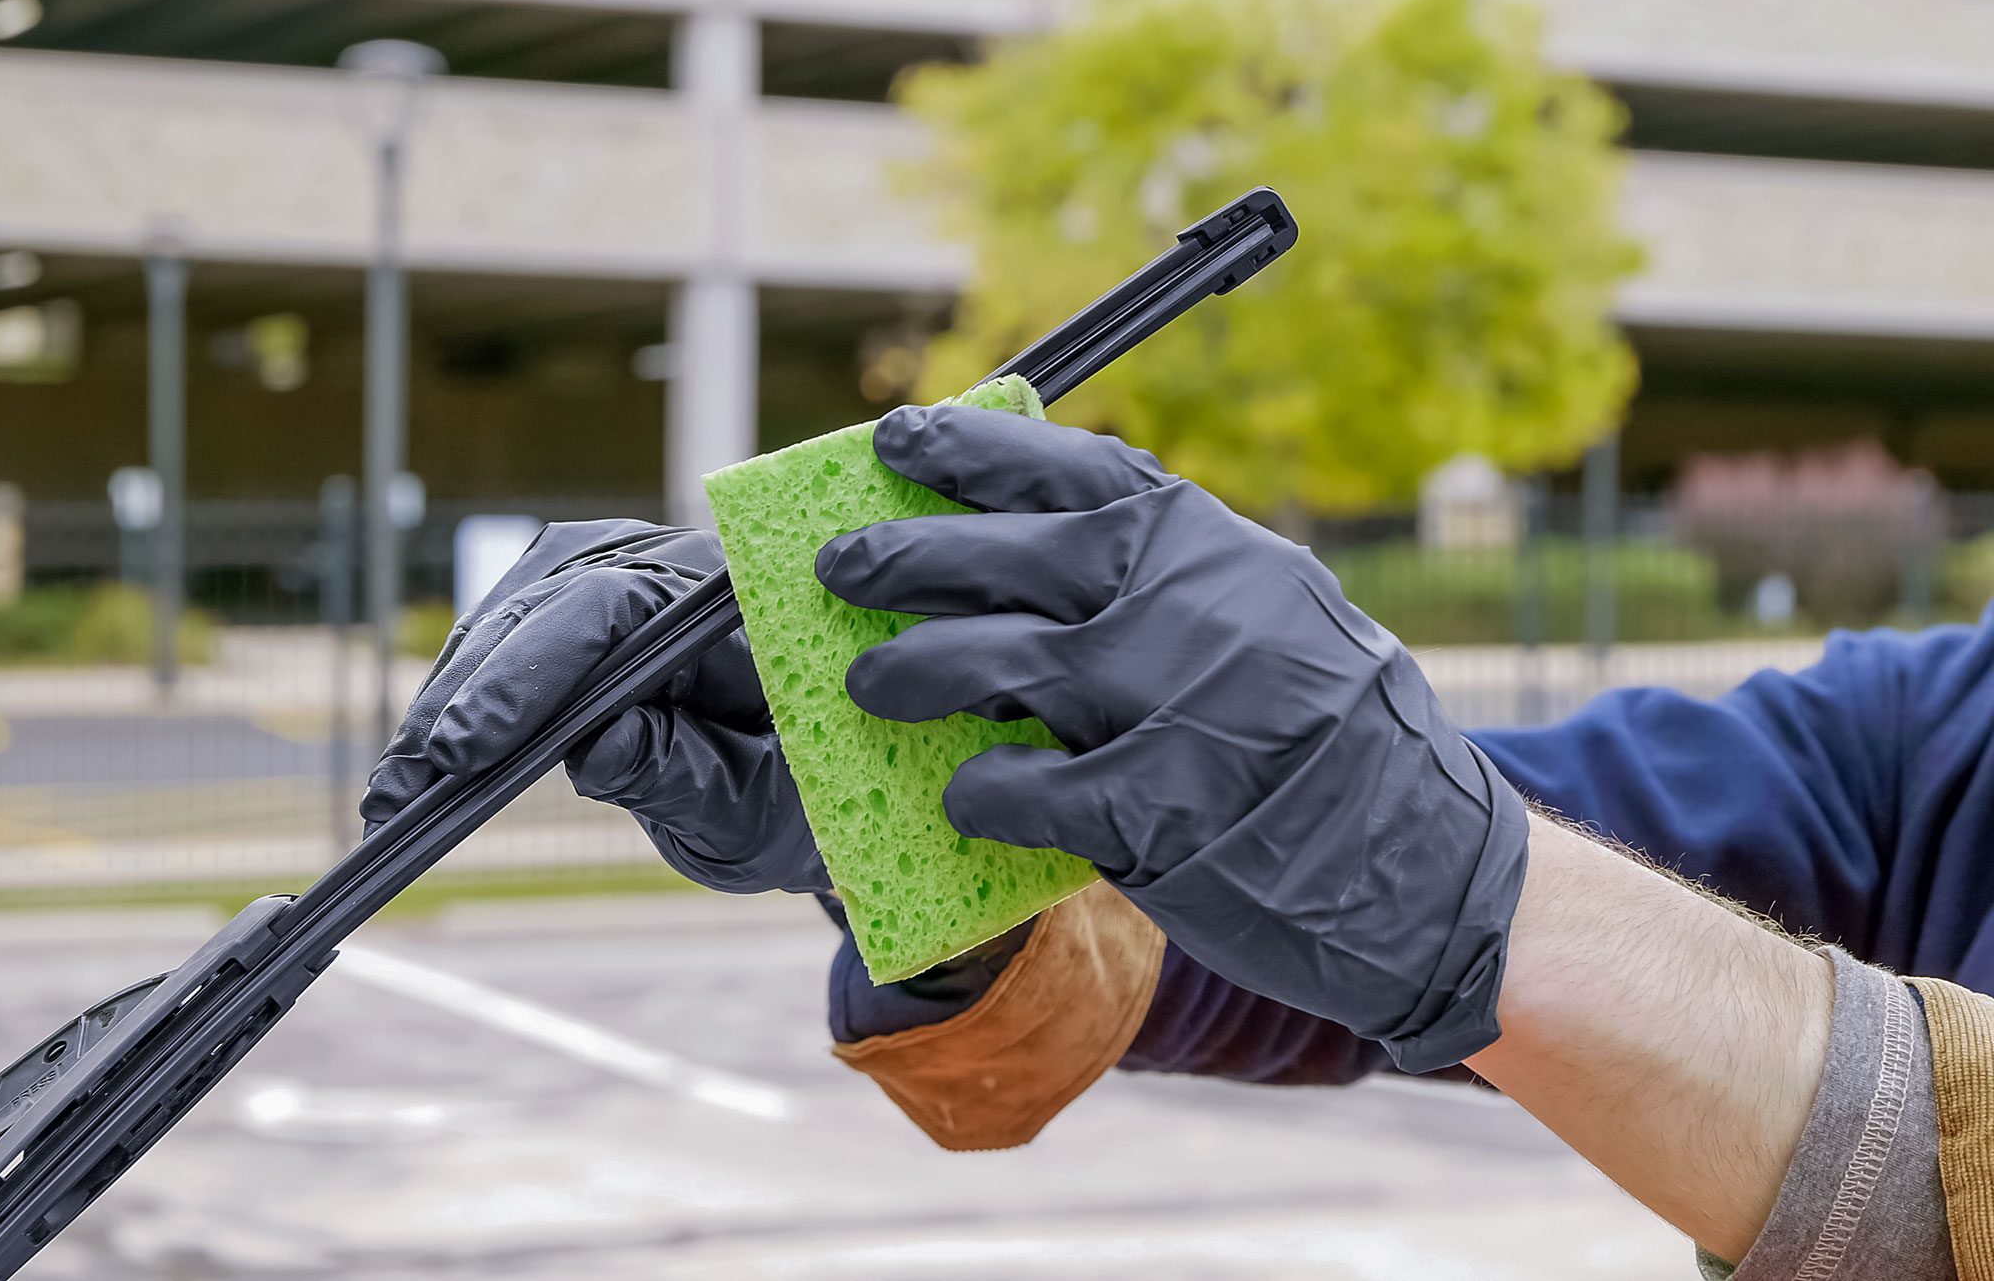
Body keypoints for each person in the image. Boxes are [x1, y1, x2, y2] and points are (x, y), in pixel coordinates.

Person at [363, 405, 1994, 1280]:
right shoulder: (1952, 729)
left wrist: (1472, 894)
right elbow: (1420, 878)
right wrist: (958, 822)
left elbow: (1478, 888)